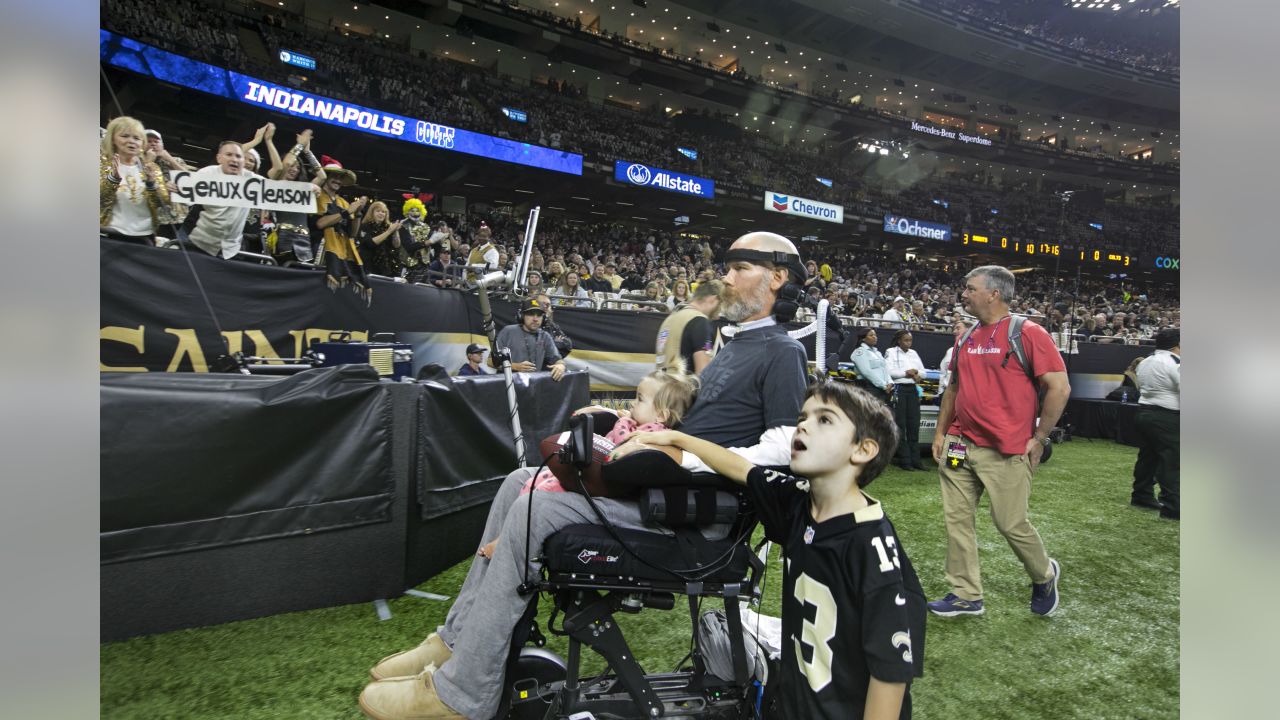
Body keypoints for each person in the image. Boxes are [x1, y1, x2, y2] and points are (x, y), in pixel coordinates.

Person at [358, 231, 809, 720]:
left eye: (740, 268)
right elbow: (685, 420)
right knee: (519, 483)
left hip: (696, 518)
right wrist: (631, 423)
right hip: (664, 488)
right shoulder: (734, 345)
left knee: (538, 505)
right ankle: (455, 641)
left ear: (777, 278)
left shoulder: (782, 352)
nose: (726, 276)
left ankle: (461, 695)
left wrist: (684, 451)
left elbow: (785, 448)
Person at [631, 381, 925, 720]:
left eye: (824, 419)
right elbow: (742, 469)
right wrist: (678, 439)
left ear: (862, 450)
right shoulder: (800, 502)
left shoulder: (872, 548)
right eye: (803, 416)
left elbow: (890, 674)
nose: (803, 424)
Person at [928, 266, 1070, 618]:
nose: (963, 294)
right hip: (960, 445)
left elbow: (1059, 387)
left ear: (994, 294)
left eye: (970, 288)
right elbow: (955, 388)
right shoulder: (967, 336)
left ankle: (1044, 574)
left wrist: (1039, 438)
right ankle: (966, 594)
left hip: (1006, 450)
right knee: (956, 520)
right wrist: (941, 432)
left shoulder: (1028, 333)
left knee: (1010, 523)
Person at [477, 368, 700, 559]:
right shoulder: (641, 425)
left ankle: (507, 541)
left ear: (660, 415)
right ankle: (505, 538)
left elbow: (625, 447)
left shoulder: (653, 436)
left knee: (542, 490)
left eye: (640, 399)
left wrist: (623, 423)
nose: (633, 403)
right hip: (597, 477)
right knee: (525, 479)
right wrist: (612, 413)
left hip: (609, 488)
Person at [181, 140, 261, 259]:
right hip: (199, 244)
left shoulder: (252, 180)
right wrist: (176, 188)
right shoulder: (206, 173)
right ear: (219, 158)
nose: (234, 159)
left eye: (238, 156)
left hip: (231, 250)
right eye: (229, 155)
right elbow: (185, 199)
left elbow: (280, 189)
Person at [99, 115, 173, 245]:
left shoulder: (152, 168)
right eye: (125, 136)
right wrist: (113, 180)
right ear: (112, 139)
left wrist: (151, 183)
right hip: (109, 235)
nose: (131, 141)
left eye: (137, 138)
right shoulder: (102, 165)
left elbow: (161, 203)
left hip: (144, 236)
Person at [1131, 328, 1179, 519]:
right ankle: (1173, 505)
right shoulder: (1175, 363)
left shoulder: (1146, 361)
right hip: (1166, 416)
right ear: (1177, 345)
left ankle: (1141, 494)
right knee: (1171, 460)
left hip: (1144, 411)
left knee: (1147, 456)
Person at [310, 156, 370, 300]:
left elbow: (352, 233)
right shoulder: (317, 195)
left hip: (341, 252)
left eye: (340, 178)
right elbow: (320, 223)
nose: (337, 181)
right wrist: (346, 212)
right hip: (319, 250)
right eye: (334, 177)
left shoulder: (343, 202)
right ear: (326, 177)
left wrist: (357, 214)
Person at [266, 129, 326, 266]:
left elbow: (322, 176)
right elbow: (286, 164)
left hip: (303, 239)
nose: (294, 169)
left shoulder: (303, 188)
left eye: (298, 167)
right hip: (282, 237)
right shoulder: (275, 181)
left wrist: (307, 152)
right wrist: (299, 145)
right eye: (292, 166)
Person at [655, 278, 722, 375]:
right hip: (682, 387)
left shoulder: (670, 319)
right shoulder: (700, 322)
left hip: (661, 384)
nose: (719, 314)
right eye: (720, 305)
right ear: (713, 300)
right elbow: (703, 374)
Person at [493, 298, 568, 380]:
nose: (535, 319)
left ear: (544, 319)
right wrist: (514, 366)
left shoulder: (545, 336)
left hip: (532, 387)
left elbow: (558, 360)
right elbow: (490, 361)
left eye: (539, 315)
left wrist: (561, 366)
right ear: (521, 316)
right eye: (531, 314)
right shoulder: (508, 331)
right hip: (508, 385)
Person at [886, 330, 926, 472]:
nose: (908, 343)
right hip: (899, 390)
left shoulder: (913, 353)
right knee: (901, 424)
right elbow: (889, 371)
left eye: (910, 340)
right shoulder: (891, 352)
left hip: (912, 390)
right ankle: (905, 460)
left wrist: (916, 373)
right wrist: (906, 373)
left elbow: (923, 372)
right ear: (899, 341)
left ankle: (916, 460)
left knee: (914, 424)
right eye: (906, 340)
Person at [358, 202, 406, 279]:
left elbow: (396, 245)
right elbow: (370, 243)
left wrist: (395, 231)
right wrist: (389, 232)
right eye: (378, 211)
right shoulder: (364, 226)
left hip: (386, 267)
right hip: (370, 266)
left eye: (383, 212)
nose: (381, 214)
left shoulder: (388, 227)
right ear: (372, 212)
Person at [849, 328, 893, 404]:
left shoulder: (877, 352)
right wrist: (883, 385)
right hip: (868, 387)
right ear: (863, 339)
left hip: (883, 388)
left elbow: (885, 369)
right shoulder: (860, 352)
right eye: (871, 335)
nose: (875, 337)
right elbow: (867, 372)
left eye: (875, 335)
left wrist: (890, 382)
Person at [535, 293, 573, 359]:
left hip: (552, 363)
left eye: (548, 305)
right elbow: (536, 347)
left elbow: (568, 344)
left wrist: (551, 344)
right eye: (543, 304)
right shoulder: (530, 324)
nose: (546, 307)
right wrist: (555, 342)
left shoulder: (552, 325)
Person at [937, 320, 968, 396]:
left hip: (964, 393)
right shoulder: (950, 351)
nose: (954, 331)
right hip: (947, 392)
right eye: (954, 329)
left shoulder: (974, 351)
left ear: (968, 329)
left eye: (958, 328)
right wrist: (940, 391)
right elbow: (943, 372)